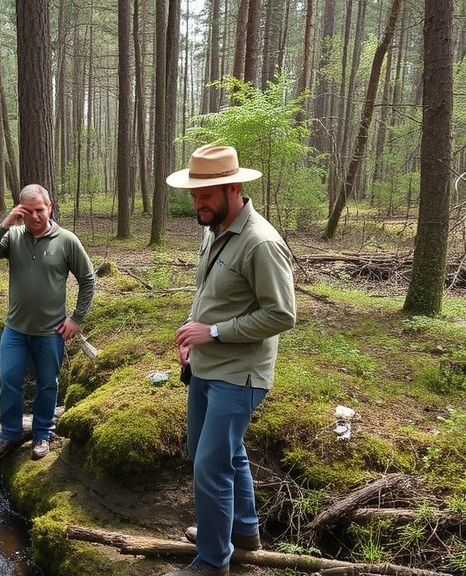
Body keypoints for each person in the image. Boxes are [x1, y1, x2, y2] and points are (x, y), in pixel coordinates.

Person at [166, 144, 297, 576]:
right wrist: (192, 333)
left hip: (240, 375)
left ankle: (213, 561)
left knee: (211, 465)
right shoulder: (215, 229)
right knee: (213, 452)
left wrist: (214, 332)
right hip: (205, 365)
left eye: (205, 196)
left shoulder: (261, 242)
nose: (197, 204)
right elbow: (211, 294)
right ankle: (242, 531)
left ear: (233, 189)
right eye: (194, 196)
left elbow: (282, 314)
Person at [0, 184, 95, 461]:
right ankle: (10, 433)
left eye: (40, 210)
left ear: (49, 207)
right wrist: (5, 224)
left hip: (51, 331)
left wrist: (76, 318)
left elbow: (87, 280)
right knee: (9, 380)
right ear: (20, 211)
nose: (35, 216)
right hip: (15, 329)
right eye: (27, 211)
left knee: (47, 384)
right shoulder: (13, 237)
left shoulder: (66, 240)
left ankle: (42, 434)